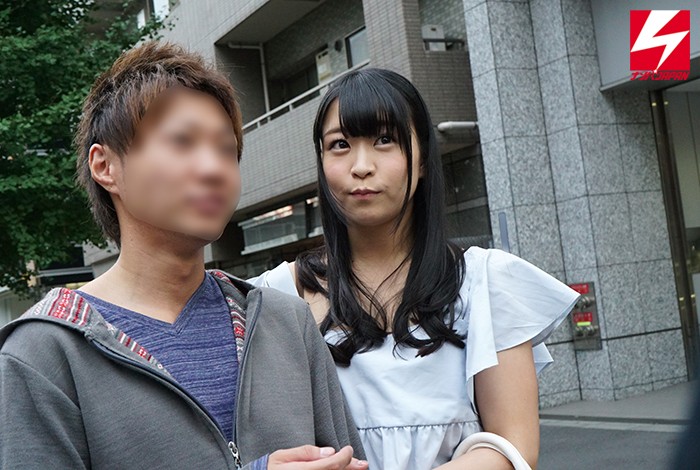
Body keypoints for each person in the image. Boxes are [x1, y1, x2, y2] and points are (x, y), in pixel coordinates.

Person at [0, 42, 367, 470]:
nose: (213, 169)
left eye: (226, 149)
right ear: (105, 166)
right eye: (182, 142)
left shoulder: (286, 322)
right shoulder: (42, 353)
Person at [251, 68, 581, 469]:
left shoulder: (485, 282)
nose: (361, 166)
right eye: (340, 144)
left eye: (384, 140)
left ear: (422, 158)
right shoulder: (276, 295)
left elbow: (513, 446)